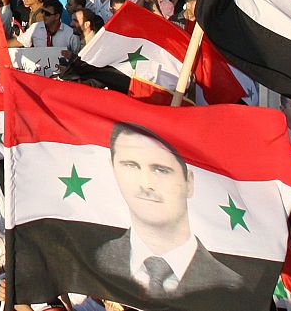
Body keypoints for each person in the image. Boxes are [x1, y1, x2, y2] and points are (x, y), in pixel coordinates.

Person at [92, 122, 243, 304]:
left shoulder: (232, 287)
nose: (146, 184)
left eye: (161, 170)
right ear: (113, 170)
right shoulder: (91, 263)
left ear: (189, 182)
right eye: (131, 166)